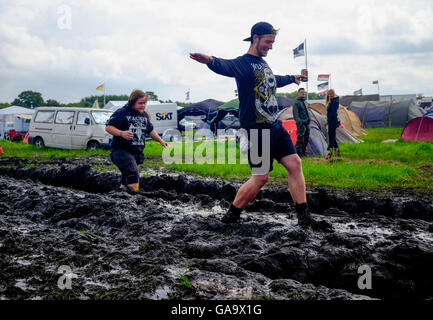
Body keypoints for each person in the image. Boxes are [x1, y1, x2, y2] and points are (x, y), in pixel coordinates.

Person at [190, 21, 332, 231]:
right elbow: (225, 65)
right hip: (255, 129)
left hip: (275, 126)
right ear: (255, 38)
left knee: (295, 164)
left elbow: (271, 79)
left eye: (273, 42)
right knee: (261, 178)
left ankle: (304, 219)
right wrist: (210, 60)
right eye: (268, 41)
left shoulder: (263, 64)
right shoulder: (243, 63)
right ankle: (231, 217)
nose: (271, 46)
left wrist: (291, 78)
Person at [105, 89, 168, 191]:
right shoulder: (122, 112)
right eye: (140, 103)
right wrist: (122, 133)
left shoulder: (144, 115)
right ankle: (135, 198)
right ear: (132, 102)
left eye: (144, 103)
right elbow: (108, 127)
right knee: (133, 174)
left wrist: (161, 140)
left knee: (126, 180)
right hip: (121, 151)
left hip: (136, 151)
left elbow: (150, 130)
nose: (143, 105)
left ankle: (120, 198)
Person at [293, 88, 310, 157]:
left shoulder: (305, 102)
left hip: (306, 123)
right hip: (301, 124)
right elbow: (295, 114)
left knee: (306, 138)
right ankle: (298, 154)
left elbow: (307, 112)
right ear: (298, 93)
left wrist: (309, 119)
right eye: (302, 92)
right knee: (300, 139)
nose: (303, 94)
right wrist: (300, 122)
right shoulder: (296, 102)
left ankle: (303, 152)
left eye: (304, 93)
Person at [325, 89, 340, 159]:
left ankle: (329, 151)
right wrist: (328, 121)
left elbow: (333, 114)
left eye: (331, 94)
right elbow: (330, 113)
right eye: (328, 94)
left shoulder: (334, 102)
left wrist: (329, 121)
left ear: (333, 94)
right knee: (332, 136)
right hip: (331, 121)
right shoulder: (332, 101)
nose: (330, 95)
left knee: (331, 137)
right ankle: (336, 150)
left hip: (333, 122)